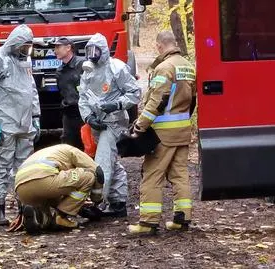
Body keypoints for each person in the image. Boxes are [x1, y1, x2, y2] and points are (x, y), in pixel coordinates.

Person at [128, 31, 196, 234]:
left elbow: (155, 102)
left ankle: (148, 222)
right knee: (180, 175)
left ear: (159, 46)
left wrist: (139, 126)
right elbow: (192, 101)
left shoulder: (164, 68)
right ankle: (182, 219)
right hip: (182, 131)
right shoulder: (188, 66)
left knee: (152, 175)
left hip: (162, 135)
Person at [0, 24, 41, 226]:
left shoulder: (25, 61)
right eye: (24, 47)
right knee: (1, 166)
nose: (26, 51)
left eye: (28, 47)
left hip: (24, 124)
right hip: (5, 123)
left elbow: (31, 90)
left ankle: (25, 206)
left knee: (24, 168)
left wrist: (36, 116)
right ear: (16, 43)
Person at [78, 33, 141, 217]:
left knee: (103, 162)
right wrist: (88, 117)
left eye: (95, 50)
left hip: (114, 122)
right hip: (99, 123)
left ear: (103, 50)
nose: (92, 54)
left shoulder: (117, 68)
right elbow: (83, 97)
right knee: (112, 162)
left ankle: (98, 203)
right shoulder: (88, 71)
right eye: (89, 50)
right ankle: (118, 203)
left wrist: (117, 104)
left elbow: (134, 92)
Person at [13, 144, 104, 234]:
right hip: (44, 179)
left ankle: (39, 219)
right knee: (89, 176)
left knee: (47, 218)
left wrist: (80, 208)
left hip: (21, 188)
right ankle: (61, 217)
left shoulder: (49, 153)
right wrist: (97, 201)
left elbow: (61, 197)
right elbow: (98, 172)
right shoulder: (72, 150)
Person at [54, 37, 85, 150]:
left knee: (87, 144)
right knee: (68, 145)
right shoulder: (59, 71)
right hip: (69, 114)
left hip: (84, 113)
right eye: (55, 47)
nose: (55, 50)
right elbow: (62, 92)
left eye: (58, 47)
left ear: (68, 48)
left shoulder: (83, 64)